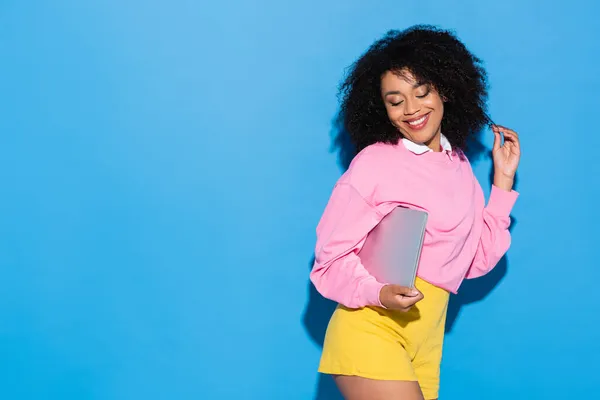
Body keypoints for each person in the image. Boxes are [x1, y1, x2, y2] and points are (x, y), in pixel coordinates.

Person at [309, 25, 520, 400]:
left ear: (445, 90)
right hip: (371, 329)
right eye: (395, 100)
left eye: (421, 92)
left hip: (426, 343)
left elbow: (474, 262)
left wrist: (501, 182)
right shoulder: (375, 163)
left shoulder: (460, 168)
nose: (411, 109)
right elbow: (327, 262)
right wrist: (378, 292)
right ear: (383, 110)